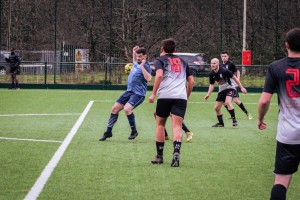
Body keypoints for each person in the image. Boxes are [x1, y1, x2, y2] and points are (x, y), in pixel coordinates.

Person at [257, 28, 300, 200]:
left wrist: (260, 119)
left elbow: (264, 101)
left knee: (281, 181)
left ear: (286, 45)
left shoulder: (276, 67)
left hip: (288, 134)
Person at [148, 38, 194, 167]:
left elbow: (159, 75)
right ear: (175, 49)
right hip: (180, 97)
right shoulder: (184, 62)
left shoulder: (160, 60)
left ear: (162, 49)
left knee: (160, 125)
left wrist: (153, 94)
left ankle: (159, 156)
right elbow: (191, 82)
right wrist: (186, 96)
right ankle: (176, 154)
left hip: (165, 96)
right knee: (177, 127)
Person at [99, 46, 152, 141]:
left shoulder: (146, 66)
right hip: (129, 92)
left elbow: (149, 79)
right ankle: (108, 132)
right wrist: (133, 52)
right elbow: (134, 60)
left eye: (140, 56)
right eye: (137, 56)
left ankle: (134, 131)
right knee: (114, 109)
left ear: (145, 56)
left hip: (138, 94)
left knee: (127, 109)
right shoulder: (136, 63)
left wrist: (143, 66)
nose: (138, 58)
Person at [204, 58, 247, 127]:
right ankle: (221, 123)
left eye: (214, 63)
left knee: (227, 102)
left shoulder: (224, 71)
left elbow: (234, 78)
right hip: (221, 90)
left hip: (230, 88)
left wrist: (241, 87)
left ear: (218, 64)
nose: (212, 65)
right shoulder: (211, 73)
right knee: (217, 108)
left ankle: (234, 120)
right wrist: (208, 94)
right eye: (211, 63)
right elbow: (212, 85)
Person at [221, 51, 252, 120]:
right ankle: (232, 112)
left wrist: (238, 79)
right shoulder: (221, 65)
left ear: (228, 57)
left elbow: (237, 71)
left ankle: (247, 113)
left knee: (236, 100)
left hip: (232, 85)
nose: (223, 58)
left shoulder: (230, 64)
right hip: (224, 85)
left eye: (225, 56)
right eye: (222, 56)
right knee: (223, 101)